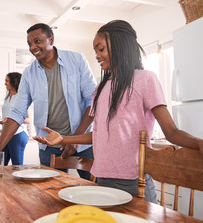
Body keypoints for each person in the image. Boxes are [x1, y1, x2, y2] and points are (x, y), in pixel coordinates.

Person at [33, 20, 203, 202]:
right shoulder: (100, 89)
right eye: (95, 51)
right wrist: (63, 138)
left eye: (101, 49)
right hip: (101, 178)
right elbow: (98, 134)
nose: (97, 56)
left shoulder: (145, 80)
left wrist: (197, 142)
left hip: (134, 181)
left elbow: (171, 132)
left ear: (120, 46)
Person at [0, 23, 97, 180]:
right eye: (29, 44)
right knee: (51, 195)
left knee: (94, 191)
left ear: (51, 39)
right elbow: (17, 112)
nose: (32, 47)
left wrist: (75, 139)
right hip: (48, 147)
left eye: (37, 41)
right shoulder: (29, 74)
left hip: (83, 143)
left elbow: (93, 101)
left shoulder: (77, 60)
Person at [0, 72, 31, 165]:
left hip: (18, 134)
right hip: (6, 134)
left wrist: (9, 120)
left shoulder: (21, 98)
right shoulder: (7, 97)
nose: (5, 83)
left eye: (7, 81)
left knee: (17, 165)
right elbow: (7, 115)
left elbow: (28, 119)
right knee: (1, 165)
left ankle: (19, 180)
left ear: (14, 81)